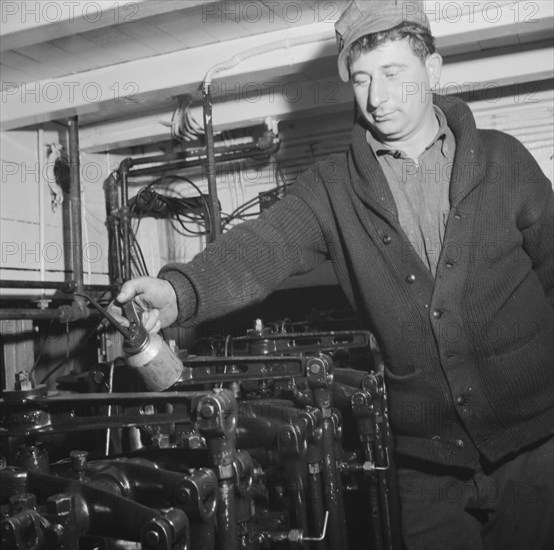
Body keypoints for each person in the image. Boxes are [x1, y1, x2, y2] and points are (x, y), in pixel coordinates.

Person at [111, 1, 554, 548]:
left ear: (433, 71)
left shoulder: (505, 162)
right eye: (363, 79)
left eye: (394, 74)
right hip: (423, 463)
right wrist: (180, 292)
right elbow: (261, 246)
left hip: (536, 447)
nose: (377, 97)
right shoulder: (332, 187)